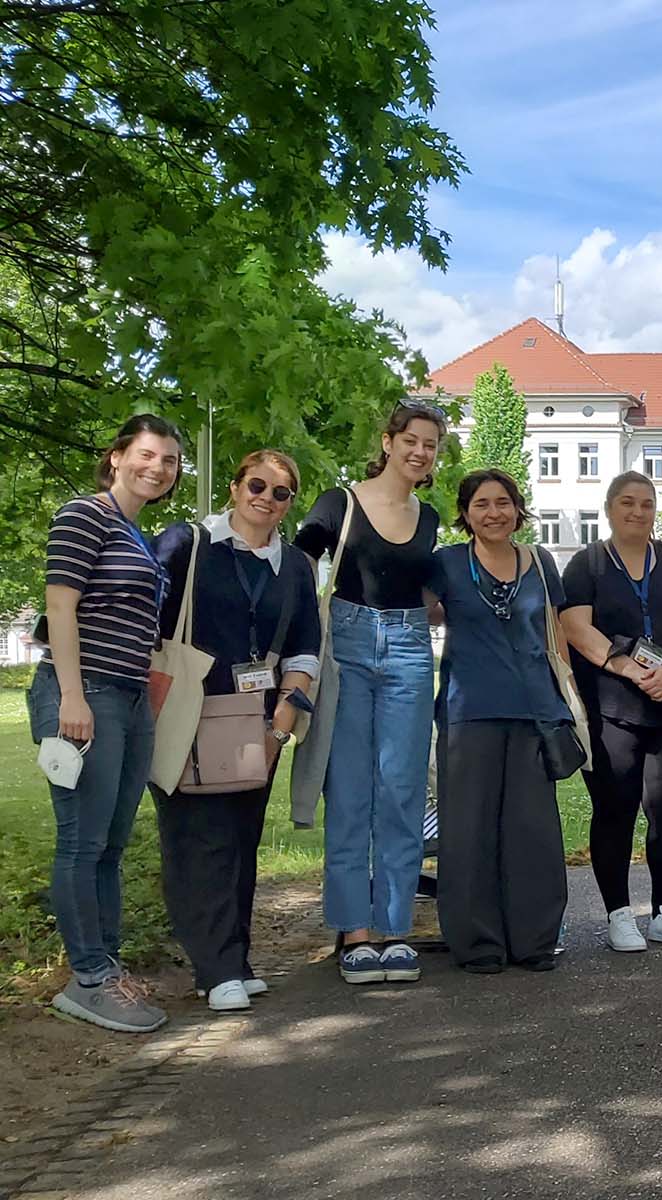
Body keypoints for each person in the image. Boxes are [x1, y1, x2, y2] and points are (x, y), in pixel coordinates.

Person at [151, 451, 322, 1012]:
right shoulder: (187, 544)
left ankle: (232, 960)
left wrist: (288, 711)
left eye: (281, 492)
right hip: (187, 708)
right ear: (233, 487)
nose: (266, 498)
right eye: (257, 484)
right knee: (197, 837)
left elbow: (304, 641)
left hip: (256, 716)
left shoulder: (294, 564)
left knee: (242, 835)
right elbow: (141, 614)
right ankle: (216, 964)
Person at [32, 415, 183, 1033]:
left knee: (112, 845)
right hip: (83, 692)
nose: (159, 467)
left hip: (127, 696)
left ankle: (109, 969)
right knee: (82, 841)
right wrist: (72, 695)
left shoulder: (137, 534)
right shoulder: (84, 515)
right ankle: (88, 979)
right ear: (116, 456)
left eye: (171, 460)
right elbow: (60, 605)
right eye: (148, 454)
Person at [293, 400, 445, 985]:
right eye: (410, 439)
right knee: (352, 789)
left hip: (409, 648)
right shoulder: (341, 502)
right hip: (348, 648)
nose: (420, 451)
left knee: (402, 791)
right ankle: (355, 932)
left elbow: (435, 596)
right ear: (388, 441)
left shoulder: (428, 518)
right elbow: (297, 570)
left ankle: (394, 928)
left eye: (430, 444)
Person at [560, 473, 662, 951]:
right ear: (609, 508)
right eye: (627, 503)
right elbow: (574, 626)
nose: (637, 512)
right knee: (614, 811)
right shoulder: (587, 565)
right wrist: (625, 667)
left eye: (646, 504)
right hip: (611, 710)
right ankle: (619, 915)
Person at [428, 470, 572, 973]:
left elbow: (557, 635)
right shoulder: (445, 562)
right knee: (468, 831)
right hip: (469, 713)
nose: (494, 512)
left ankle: (534, 940)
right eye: (482, 504)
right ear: (466, 513)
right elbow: (416, 615)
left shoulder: (540, 561)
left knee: (533, 832)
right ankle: (479, 944)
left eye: (504, 503)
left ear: (518, 508)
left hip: (536, 713)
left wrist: (567, 702)